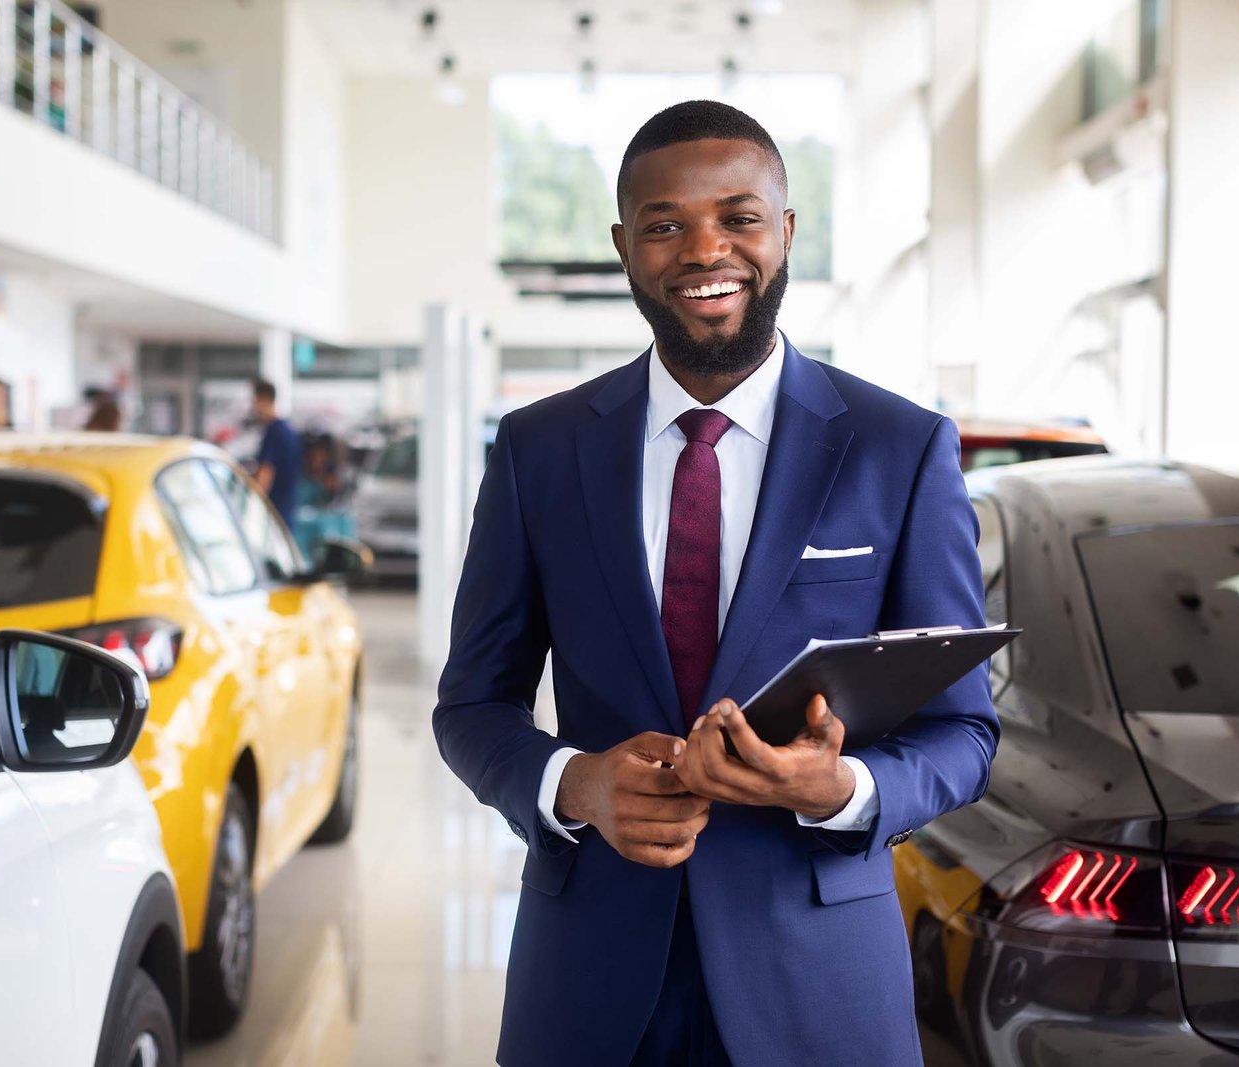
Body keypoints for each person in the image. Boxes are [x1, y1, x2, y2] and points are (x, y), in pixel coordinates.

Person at [433, 101, 997, 1066]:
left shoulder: (899, 448)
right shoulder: (541, 449)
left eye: (738, 217)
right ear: (624, 246)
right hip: (589, 977)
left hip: (818, 978)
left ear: (785, 232)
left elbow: (963, 733)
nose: (704, 250)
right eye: (665, 224)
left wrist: (843, 787)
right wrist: (576, 783)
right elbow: (471, 706)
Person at [250, 378, 303, 528]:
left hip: (275, 514)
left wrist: (251, 506)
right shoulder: (288, 429)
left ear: (263, 399)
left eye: (254, 401)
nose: (253, 406)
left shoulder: (274, 432)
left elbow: (265, 475)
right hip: (287, 511)